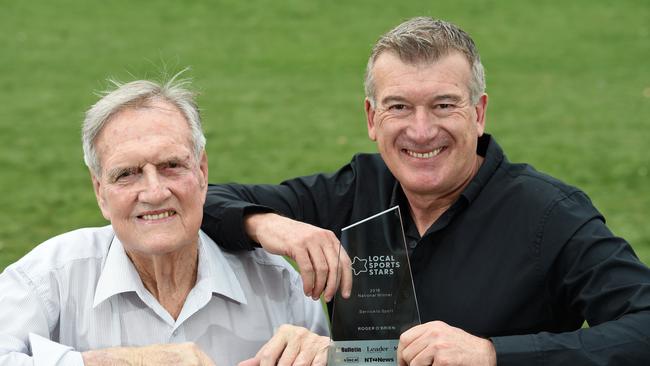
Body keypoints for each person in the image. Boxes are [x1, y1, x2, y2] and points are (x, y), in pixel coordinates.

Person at [202, 17, 650, 365]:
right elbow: (195, 200)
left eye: (443, 105)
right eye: (399, 107)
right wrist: (269, 225)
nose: (421, 131)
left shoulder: (550, 215)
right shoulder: (353, 191)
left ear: (478, 112)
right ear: (372, 119)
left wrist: (492, 355)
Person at [0, 75, 329, 366]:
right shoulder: (47, 278)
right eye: (127, 174)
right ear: (100, 192)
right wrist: (131, 361)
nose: (154, 192)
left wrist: (329, 358)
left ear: (202, 173)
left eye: (171, 165)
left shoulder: (279, 284)